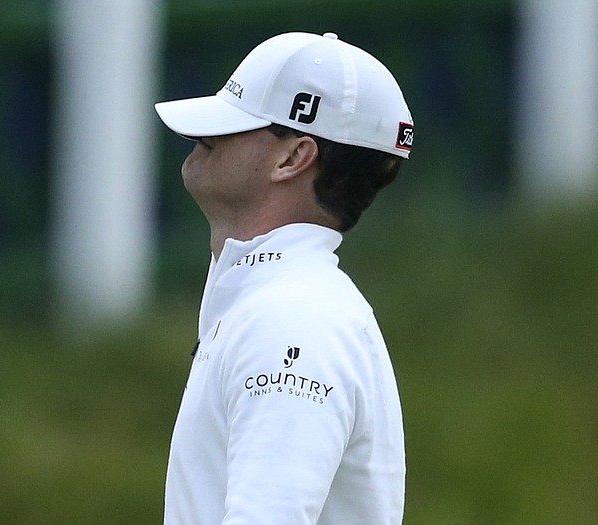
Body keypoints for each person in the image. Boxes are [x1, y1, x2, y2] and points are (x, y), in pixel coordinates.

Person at [154, 31, 414, 524]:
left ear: (293, 158)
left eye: (237, 123)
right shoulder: (280, 303)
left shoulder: (291, 319)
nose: (199, 135)